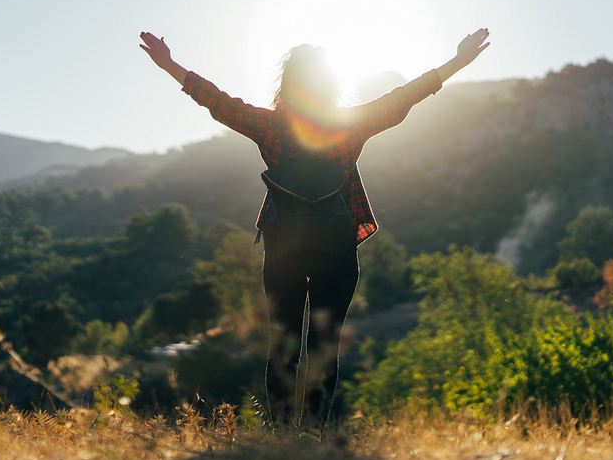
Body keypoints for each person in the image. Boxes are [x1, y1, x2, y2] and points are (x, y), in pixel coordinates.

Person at [139, 27, 490, 437]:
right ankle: (314, 434)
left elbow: (216, 101)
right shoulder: (349, 124)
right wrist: (457, 62)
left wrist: (168, 65)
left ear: (287, 85)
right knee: (324, 347)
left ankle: (282, 434)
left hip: (283, 247)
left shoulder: (269, 127)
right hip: (336, 248)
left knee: (282, 345)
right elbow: (404, 97)